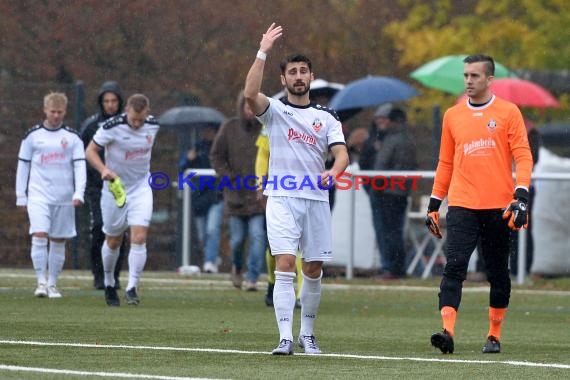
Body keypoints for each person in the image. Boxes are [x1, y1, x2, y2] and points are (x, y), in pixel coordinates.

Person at [244, 23, 349, 355]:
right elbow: (249, 94)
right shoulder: (275, 111)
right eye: (293, 71)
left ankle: (308, 334)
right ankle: (285, 337)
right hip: (282, 198)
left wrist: (333, 172)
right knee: (285, 263)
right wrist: (262, 50)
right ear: (284, 79)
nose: (299, 76)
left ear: (311, 77)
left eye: (304, 71)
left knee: (313, 268)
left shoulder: (327, 117)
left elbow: (342, 154)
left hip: (315, 199)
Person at [426, 55, 533, 354]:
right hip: (462, 204)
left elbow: (523, 156)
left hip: (499, 206)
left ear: (489, 79)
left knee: (497, 271)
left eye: (474, 76)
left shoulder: (509, 112)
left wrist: (520, 196)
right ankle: (447, 332)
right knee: (455, 266)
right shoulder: (452, 115)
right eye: (466, 75)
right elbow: (445, 162)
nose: (468, 81)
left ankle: (494, 334)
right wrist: (435, 203)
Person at [85, 94, 159, 307]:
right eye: (133, 119)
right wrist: (103, 169)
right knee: (113, 240)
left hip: (141, 187)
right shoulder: (111, 126)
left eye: (141, 119)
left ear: (147, 113)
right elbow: (90, 151)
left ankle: (132, 287)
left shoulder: (153, 125)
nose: (137, 124)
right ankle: (109, 283)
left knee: (139, 237)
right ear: (126, 110)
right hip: (115, 190)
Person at [16, 92, 86, 298]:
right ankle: (40, 282)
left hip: (64, 197)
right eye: (52, 111)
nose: (56, 116)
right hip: (39, 195)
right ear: (45, 110)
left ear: (65, 112)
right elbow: (23, 166)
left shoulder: (72, 138)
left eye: (60, 112)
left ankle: (53, 284)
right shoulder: (32, 136)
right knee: (39, 234)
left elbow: (79, 167)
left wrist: (79, 192)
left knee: (58, 240)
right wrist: (22, 195)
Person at [210, 90, 266, 291]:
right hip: (236, 196)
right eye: (247, 107)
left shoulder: (265, 128)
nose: (250, 111)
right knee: (237, 240)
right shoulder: (229, 128)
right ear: (241, 107)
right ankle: (237, 266)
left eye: (254, 107)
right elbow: (216, 156)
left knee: (258, 236)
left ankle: (252, 277)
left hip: (259, 197)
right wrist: (228, 177)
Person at [80, 81, 127, 290]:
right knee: (99, 228)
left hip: (121, 187)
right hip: (97, 187)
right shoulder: (91, 126)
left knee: (119, 232)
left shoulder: (128, 124)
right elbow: (83, 155)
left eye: (113, 100)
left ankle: (114, 275)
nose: (110, 105)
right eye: (106, 101)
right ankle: (98, 274)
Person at [255, 123, 303, 308]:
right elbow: (263, 153)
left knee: (304, 247)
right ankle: (272, 282)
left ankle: (301, 295)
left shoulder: (318, 116)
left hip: (309, 190)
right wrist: (260, 185)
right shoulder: (273, 116)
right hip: (279, 192)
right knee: (275, 246)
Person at [368, 106, 417, 280]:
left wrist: (375, 187)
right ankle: (397, 267)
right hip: (400, 192)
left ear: (393, 121)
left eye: (384, 119)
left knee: (387, 232)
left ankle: (389, 268)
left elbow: (381, 166)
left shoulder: (392, 139)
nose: (380, 122)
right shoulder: (409, 139)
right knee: (396, 231)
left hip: (386, 192)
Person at [179, 125, 224, 273]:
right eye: (205, 130)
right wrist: (189, 160)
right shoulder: (196, 147)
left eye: (210, 130)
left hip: (216, 196)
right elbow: (183, 168)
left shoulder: (221, 148)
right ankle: (211, 257)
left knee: (212, 229)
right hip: (199, 197)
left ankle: (209, 261)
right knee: (202, 235)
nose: (207, 133)